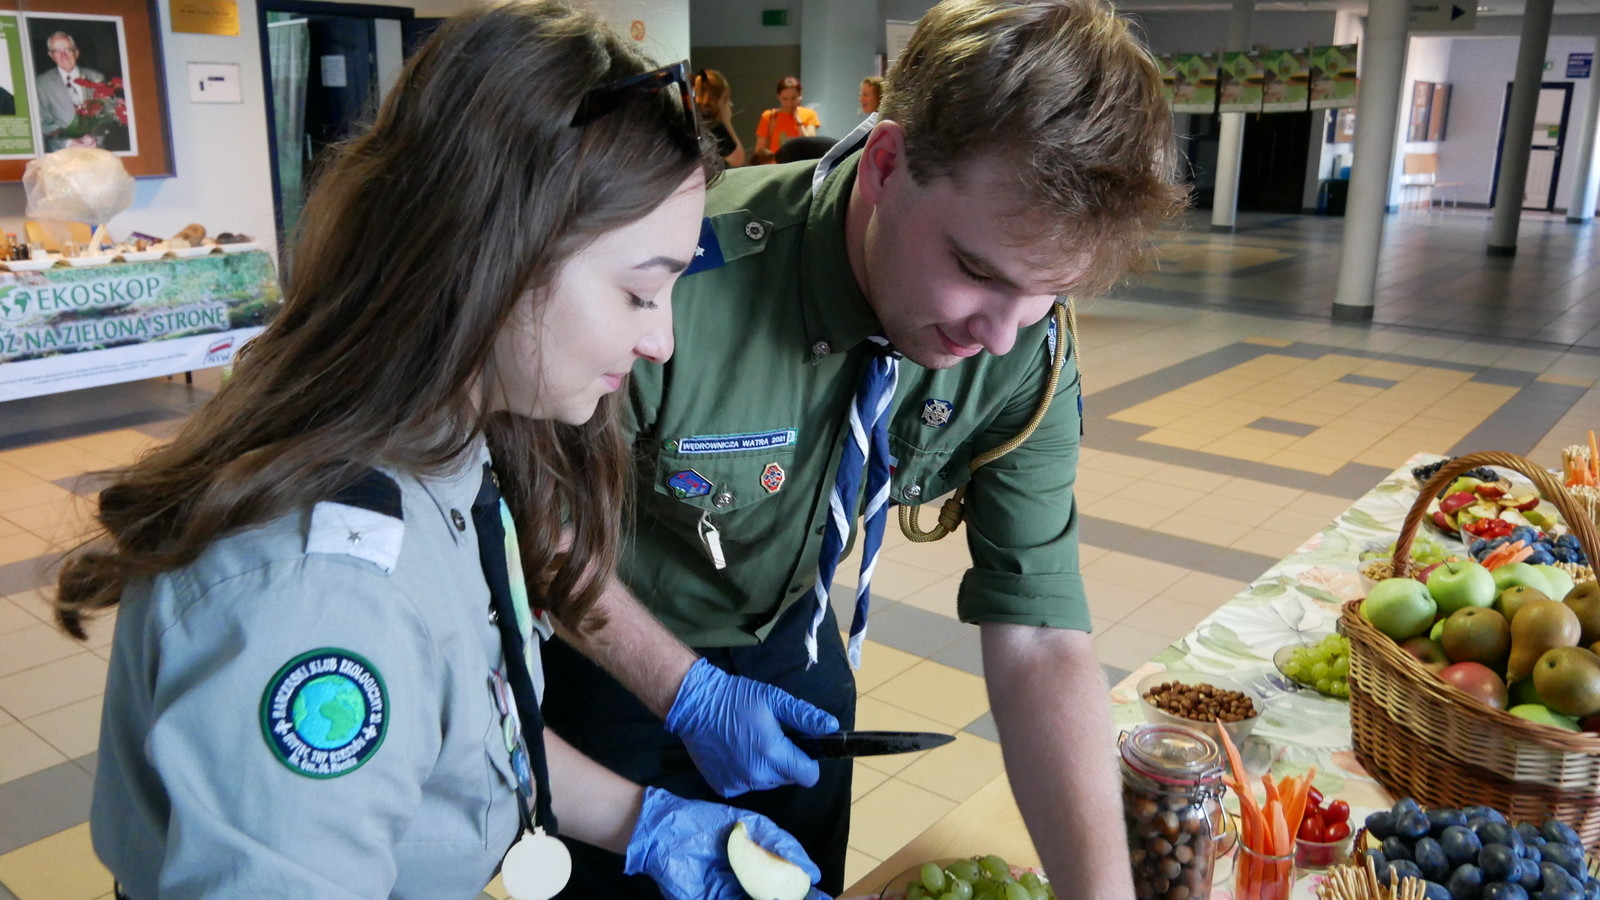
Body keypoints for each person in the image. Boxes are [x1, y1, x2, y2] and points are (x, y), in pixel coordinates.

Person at [51, 4, 830, 899]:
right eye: (637, 292)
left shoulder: (451, 443)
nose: (661, 342)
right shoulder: (323, 596)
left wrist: (642, 819)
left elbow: (465, 726)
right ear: (496, 254)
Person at [540, 0, 1187, 897]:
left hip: (797, 655)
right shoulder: (675, 275)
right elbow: (541, 524)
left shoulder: (1024, 344)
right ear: (886, 165)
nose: (999, 335)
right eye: (978, 271)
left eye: (1048, 291)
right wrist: (683, 689)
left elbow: (1040, 632)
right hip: (611, 650)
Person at [38, 31, 107, 151]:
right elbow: (44, 123)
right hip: (62, 153)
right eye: (57, 51)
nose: (63, 55)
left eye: (67, 50)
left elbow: (106, 116)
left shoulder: (96, 78)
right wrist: (69, 142)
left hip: (96, 150)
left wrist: (94, 139)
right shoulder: (42, 83)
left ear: (76, 52)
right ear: (51, 55)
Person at [754, 75, 819, 155]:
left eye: (793, 98)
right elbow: (759, 151)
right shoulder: (769, 116)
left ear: (800, 95)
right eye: (785, 99)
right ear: (778, 97)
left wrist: (799, 122)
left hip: (800, 161)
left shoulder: (809, 114)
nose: (789, 104)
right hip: (776, 162)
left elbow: (811, 145)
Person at [694, 67, 745, 167]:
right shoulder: (713, 124)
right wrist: (727, 122)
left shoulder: (694, 117)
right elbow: (737, 159)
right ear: (719, 99)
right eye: (726, 99)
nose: (730, 104)